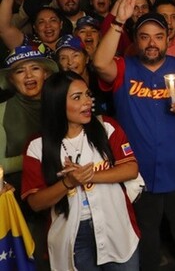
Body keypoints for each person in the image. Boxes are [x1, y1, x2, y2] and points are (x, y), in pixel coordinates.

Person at [93, 0, 175, 271]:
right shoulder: (123, 68)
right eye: (144, 37)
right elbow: (98, 63)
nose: (152, 43)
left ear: (168, 39)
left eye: (158, 36)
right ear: (136, 40)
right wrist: (118, 22)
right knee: (147, 229)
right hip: (139, 171)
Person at [21, 71, 140, 271]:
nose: (87, 102)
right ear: (57, 104)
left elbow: (131, 169)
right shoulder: (37, 145)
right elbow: (35, 203)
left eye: (87, 94)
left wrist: (89, 175)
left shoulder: (106, 127)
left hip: (116, 226)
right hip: (74, 236)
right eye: (77, 97)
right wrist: (68, 183)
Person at [0, 46, 58, 190]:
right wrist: (42, 155)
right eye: (20, 71)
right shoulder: (1, 112)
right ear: (11, 80)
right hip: (21, 193)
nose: (29, 76)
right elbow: (0, 165)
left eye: (35, 68)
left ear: (45, 73)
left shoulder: (63, 104)